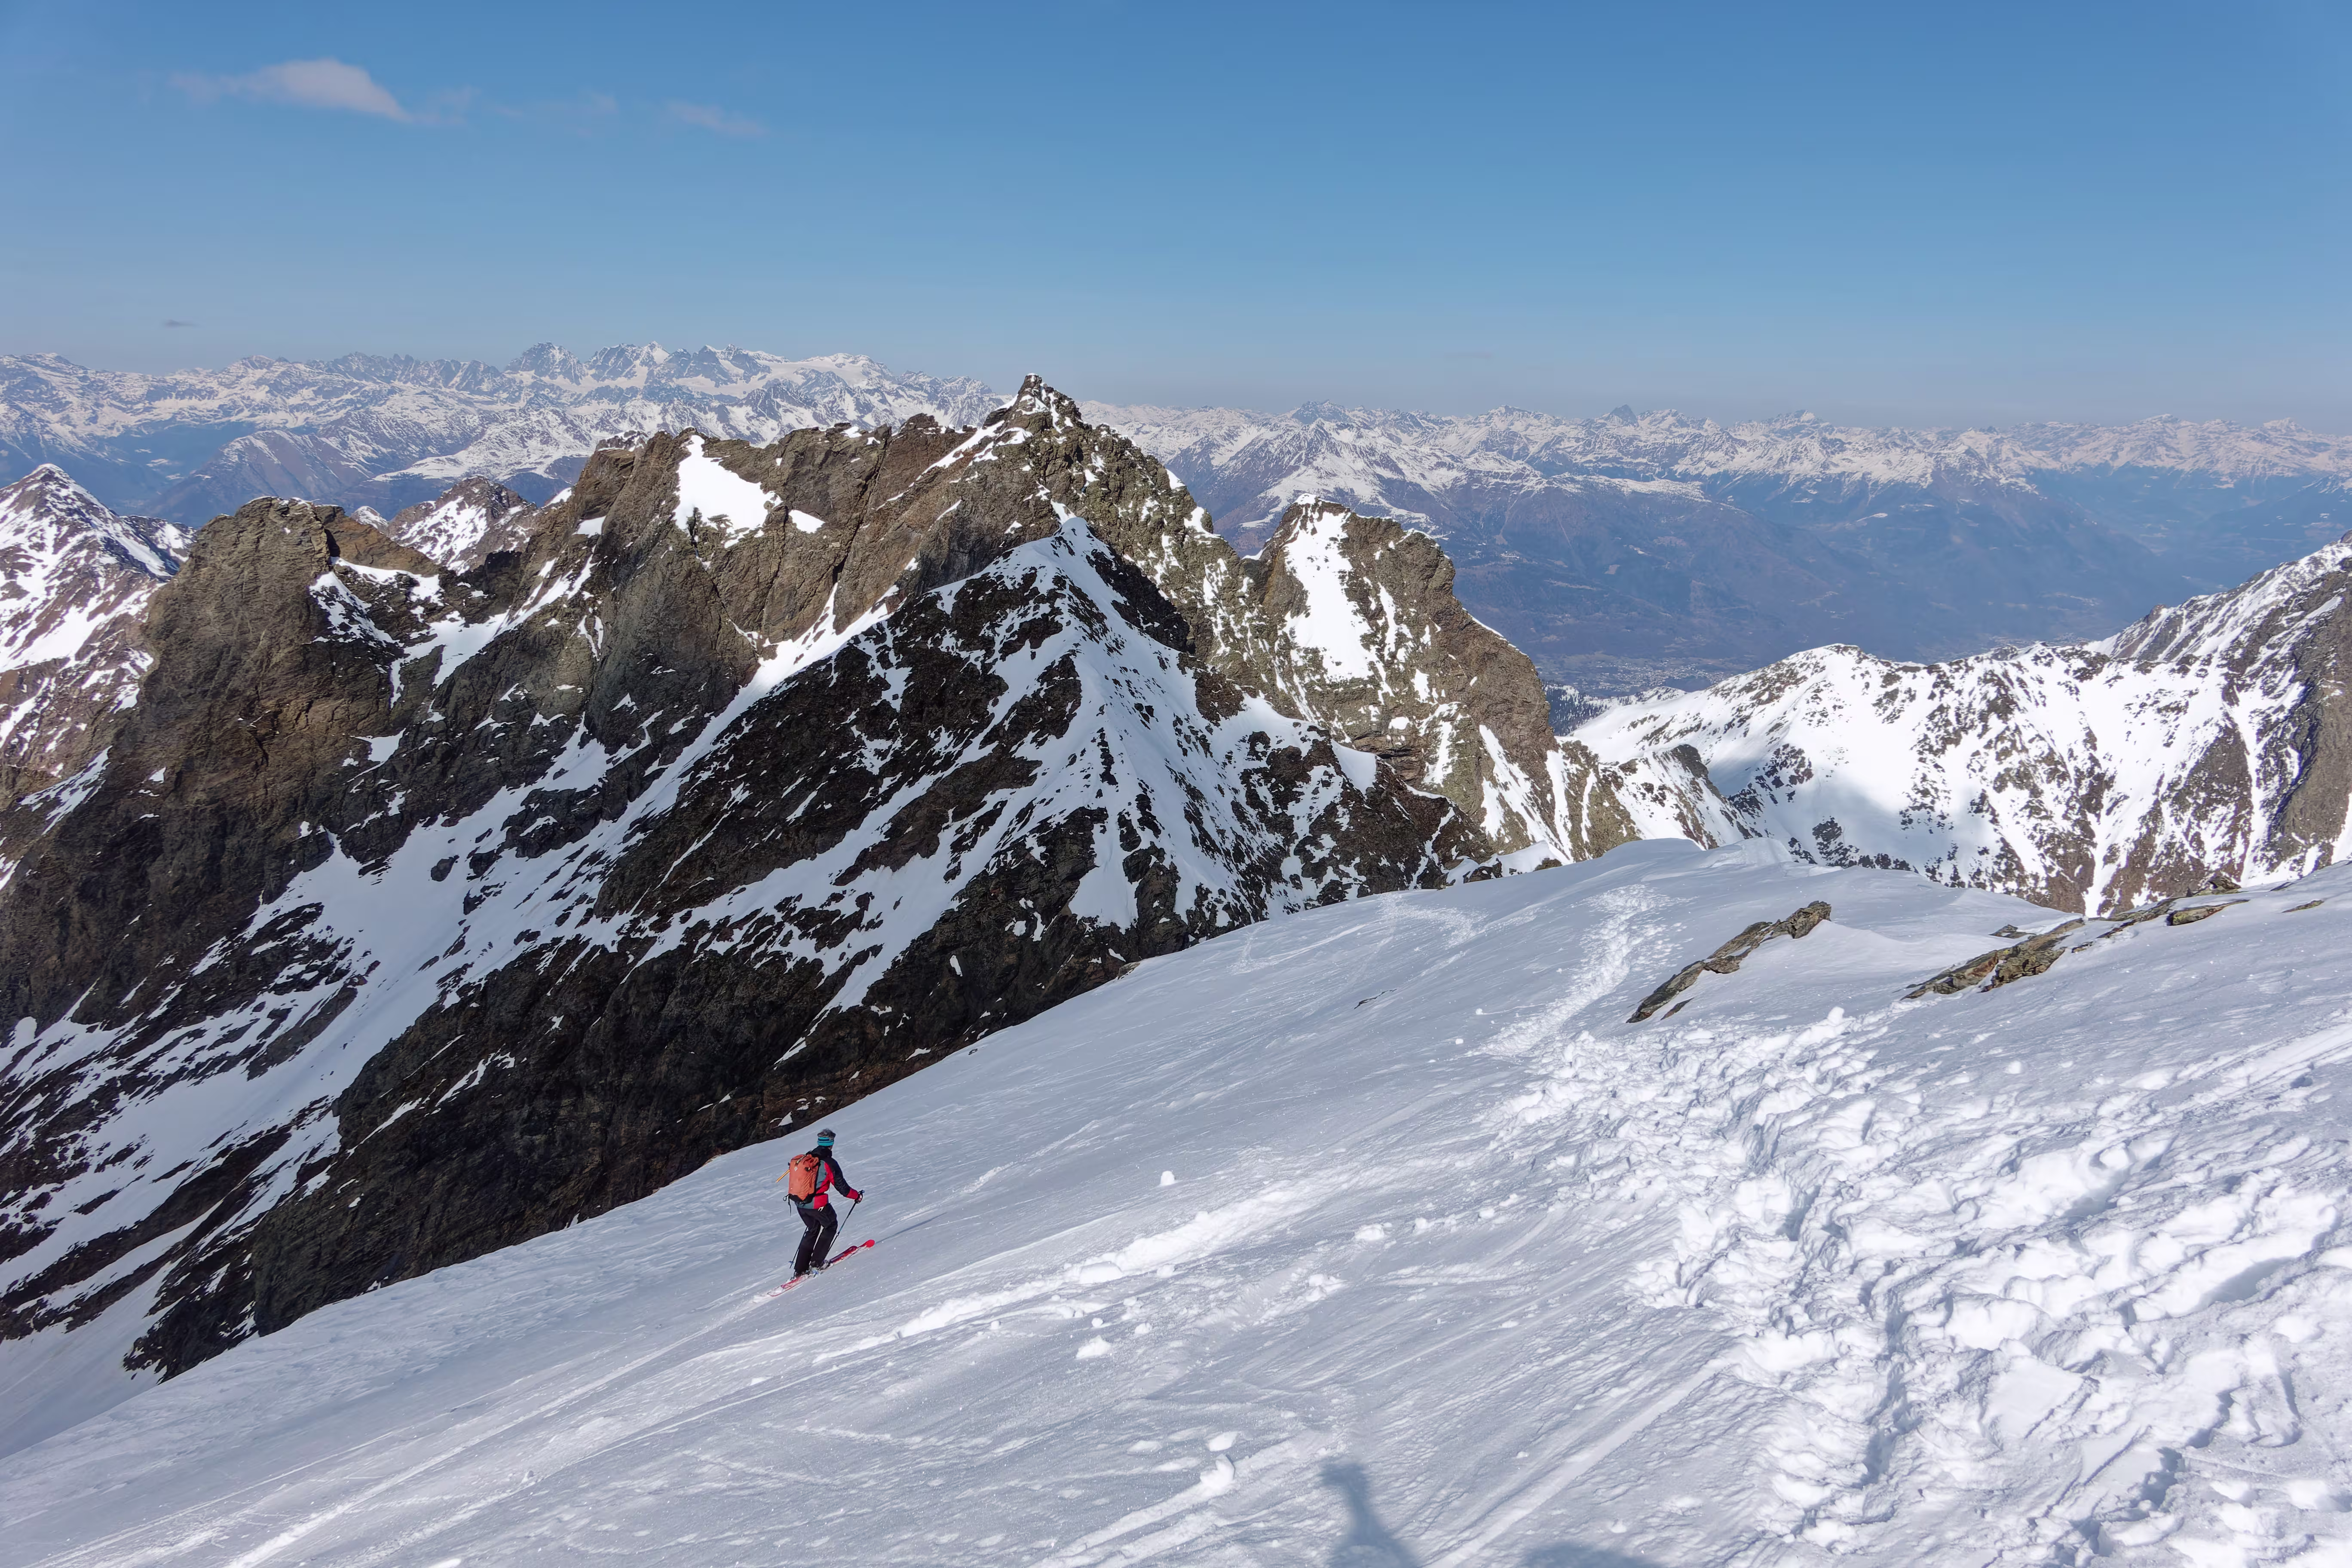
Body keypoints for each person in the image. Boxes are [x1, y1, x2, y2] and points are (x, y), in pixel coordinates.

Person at [781, 1129, 862, 1278]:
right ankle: (817, 1263)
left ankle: (800, 1269)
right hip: (817, 1205)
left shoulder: (808, 1158)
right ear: (832, 1144)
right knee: (831, 1226)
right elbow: (843, 1189)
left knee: (812, 1229)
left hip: (800, 1203)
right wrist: (856, 1196)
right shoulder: (829, 1163)